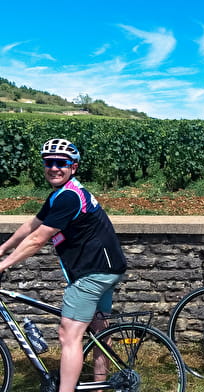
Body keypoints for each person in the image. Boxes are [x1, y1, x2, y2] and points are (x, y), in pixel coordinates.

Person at [0, 138, 127, 392]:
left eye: (61, 163)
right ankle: (100, 385)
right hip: (106, 267)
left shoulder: (68, 197)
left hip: (92, 272)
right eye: (49, 162)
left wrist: (3, 265)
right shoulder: (62, 194)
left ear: (73, 167)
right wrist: (2, 248)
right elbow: (31, 226)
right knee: (98, 327)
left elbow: (37, 239)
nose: (54, 167)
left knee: (69, 335)